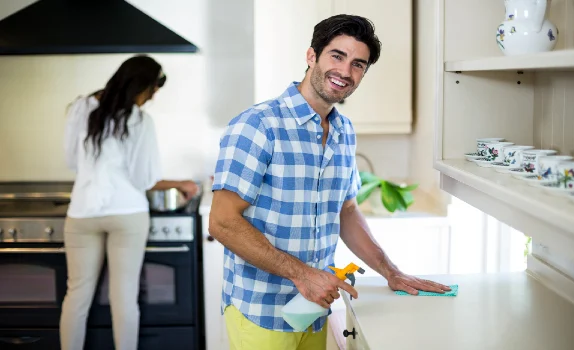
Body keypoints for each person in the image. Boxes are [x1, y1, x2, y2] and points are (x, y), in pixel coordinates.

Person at [209, 14, 451, 350]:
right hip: (261, 308)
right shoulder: (259, 125)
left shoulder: (344, 132)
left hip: (312, 307)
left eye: (358, 64)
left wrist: (390, 271)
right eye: (337, 56)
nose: (345, 72)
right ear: (312, 57)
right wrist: (304, 275)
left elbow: (347, 212)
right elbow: (222, 222)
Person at [60, 55, 199, 350]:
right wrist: (180, 183)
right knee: (123, 296)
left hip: (83, 212)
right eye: (154, 88)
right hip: (127, 214)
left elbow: (72, 162)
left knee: (77, 295)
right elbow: (144, 179)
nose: (154, 95)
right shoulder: (139, 120)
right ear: (141, 85)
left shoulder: (80, 108)